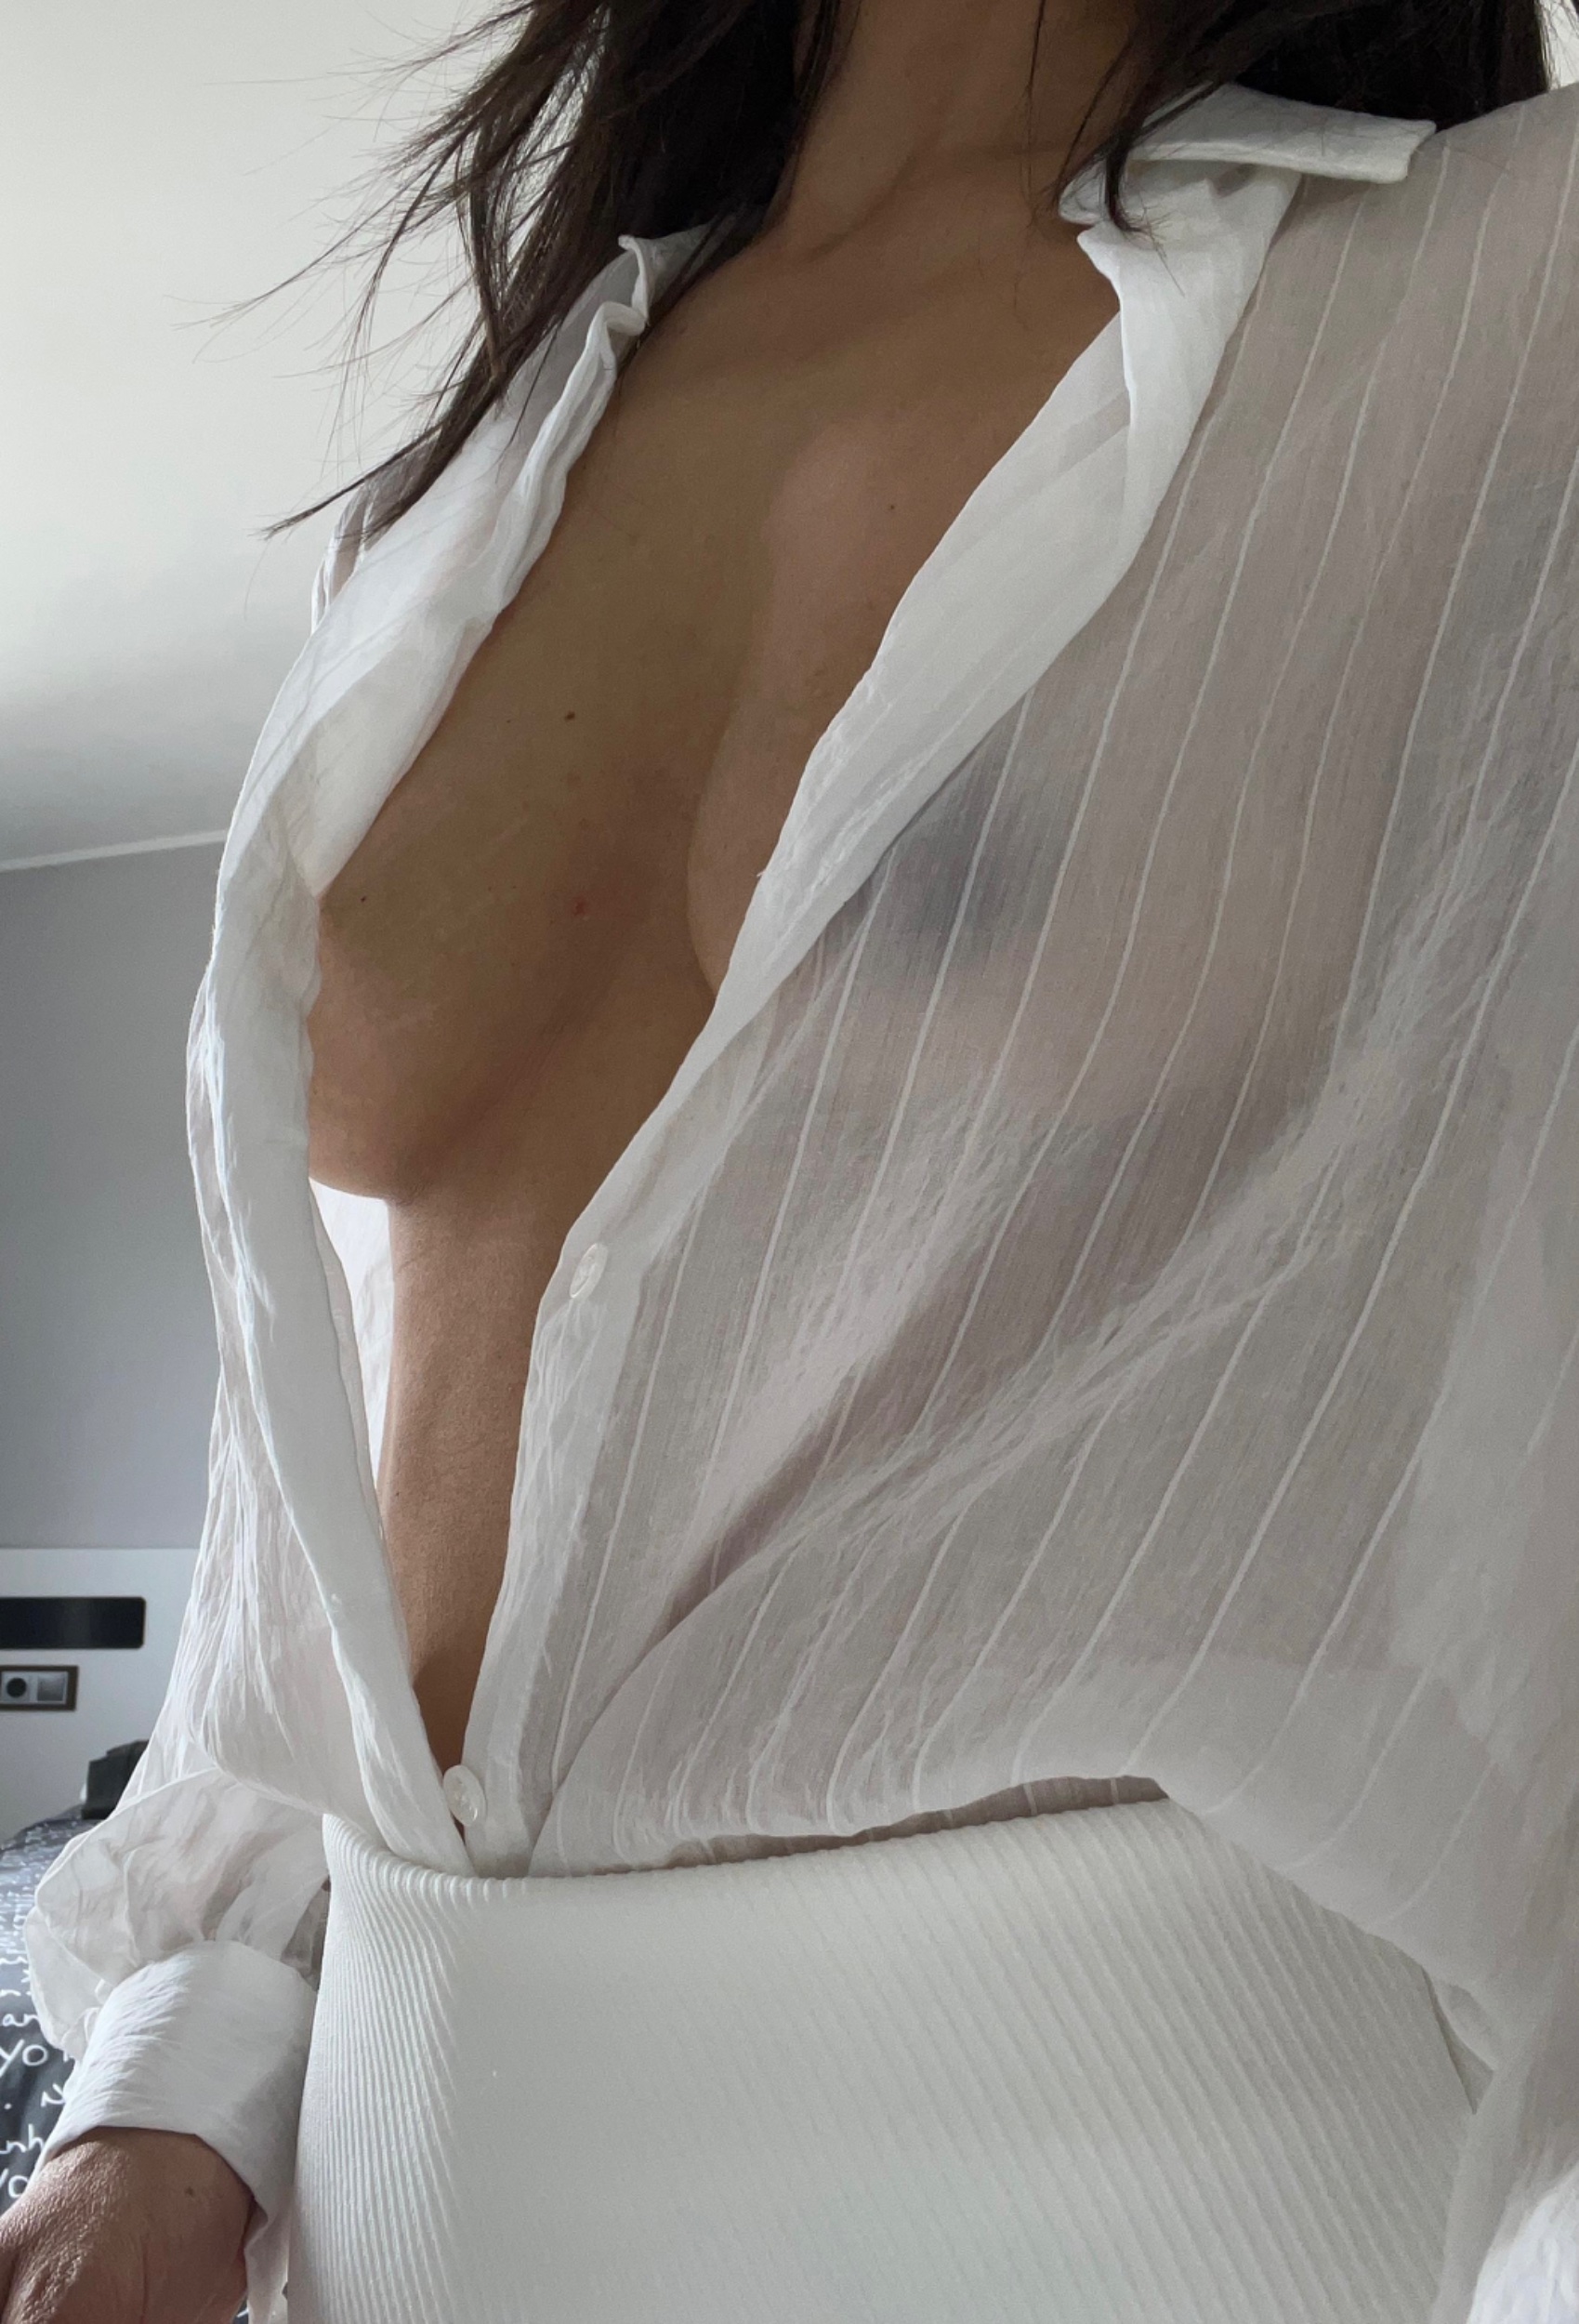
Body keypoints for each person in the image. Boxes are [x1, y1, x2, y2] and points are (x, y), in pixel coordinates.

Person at [6, 0, 1578, 2315]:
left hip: (1160, 2194)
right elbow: (329, 1417)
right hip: (385, 2194)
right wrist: (173, 2081)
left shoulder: (1515, 310)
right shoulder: (456, 501)